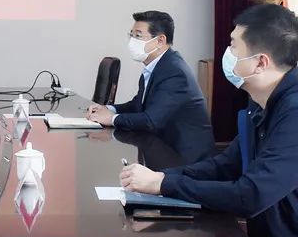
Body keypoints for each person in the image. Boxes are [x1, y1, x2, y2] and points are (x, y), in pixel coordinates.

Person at [119, 4, 298, 237]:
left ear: (260, 63)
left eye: (233, 46)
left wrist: (164, 184)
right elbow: (226, 165)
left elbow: (250, 196)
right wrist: (160, 177)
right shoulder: (263, 102)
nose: (227, 53)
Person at [86, 11, 215, 163]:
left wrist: (112, 119)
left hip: (186, 160)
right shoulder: (157, 66)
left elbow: (151, 120)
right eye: (131, 35)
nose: (132, 41)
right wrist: (109, 109)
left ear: (160, 41)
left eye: (138, 36)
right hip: (162, 149)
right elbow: (137, 104)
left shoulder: (174, 72)